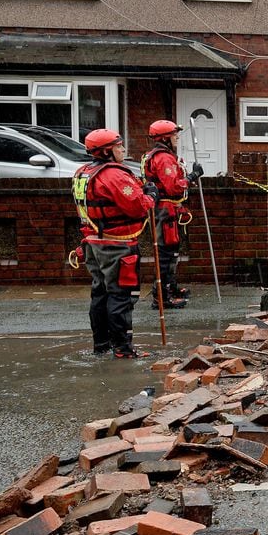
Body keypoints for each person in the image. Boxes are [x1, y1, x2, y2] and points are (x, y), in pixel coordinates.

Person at [72, 129, 156, 359]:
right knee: (121, 296)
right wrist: (151, 195)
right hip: (117, 245)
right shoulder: (114, 175)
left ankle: (101, 344)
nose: (123, 150)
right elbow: (137, 206)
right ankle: (123, 348)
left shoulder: (83, 173)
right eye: (119, 146)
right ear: (107, 151)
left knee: (100, 294)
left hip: (94, 243)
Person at [141, 119, 203, 309]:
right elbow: (173, 187)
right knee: (166, 252)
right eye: (174, 134)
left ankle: (171, 288)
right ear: (165, 138)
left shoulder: (161, 155)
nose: (177, 137)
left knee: (172, 249)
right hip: (164, 210)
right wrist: (192, 177)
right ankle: (162, 296)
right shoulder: (163, 158)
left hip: (167, 209)